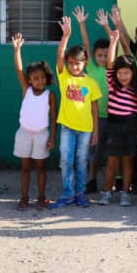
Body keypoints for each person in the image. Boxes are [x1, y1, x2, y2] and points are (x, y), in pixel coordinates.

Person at [51, 16, 101, 209]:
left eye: (77, 63)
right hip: (67, 127)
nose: (73, 66)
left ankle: (80, 193)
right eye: (71, 63)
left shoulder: (90, 83)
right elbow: (59, 55)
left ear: (85, 62)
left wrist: (96, 131)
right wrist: (65, 37)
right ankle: (67, 193)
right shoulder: (64, 77)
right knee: (65, 160)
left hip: (86, 130)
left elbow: (94, 108)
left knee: (81, 161)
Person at [97, 35, 137, 206]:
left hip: (131, 126)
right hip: (114, 125)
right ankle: (107, 192)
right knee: (112, 161)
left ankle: (125, 193)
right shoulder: (112, 85)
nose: (123, 76)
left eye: (127, 72)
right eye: (120, 73)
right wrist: (113, 42)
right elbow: (110, 64)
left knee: (128, 161)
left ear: (133, 72)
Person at [11, 33, 56, 210]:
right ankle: (24, 198)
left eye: (43, 78)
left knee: (41, 167)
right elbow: (19, 70)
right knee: (25, 168)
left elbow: (54, 119)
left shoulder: (50, 95)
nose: (40, 81)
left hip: (41, 135)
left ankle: (41, 197)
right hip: (24, 133)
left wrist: (52, 137)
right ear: (29, 80)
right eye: (36, 78)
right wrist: (17, 50)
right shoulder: (26, 90)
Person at [75, 6, 109, 194]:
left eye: (105, 55)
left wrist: (106, 27)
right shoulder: (93, 69)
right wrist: (82, 24)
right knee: (92, 150)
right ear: (94, 57)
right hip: (92, 117)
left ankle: (114, 181)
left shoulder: (112, 67)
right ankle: (91, 179)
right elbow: (86, 46)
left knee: (109, 150)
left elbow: (114, 43)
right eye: (100, 56)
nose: (103, 58)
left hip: (110, 116)